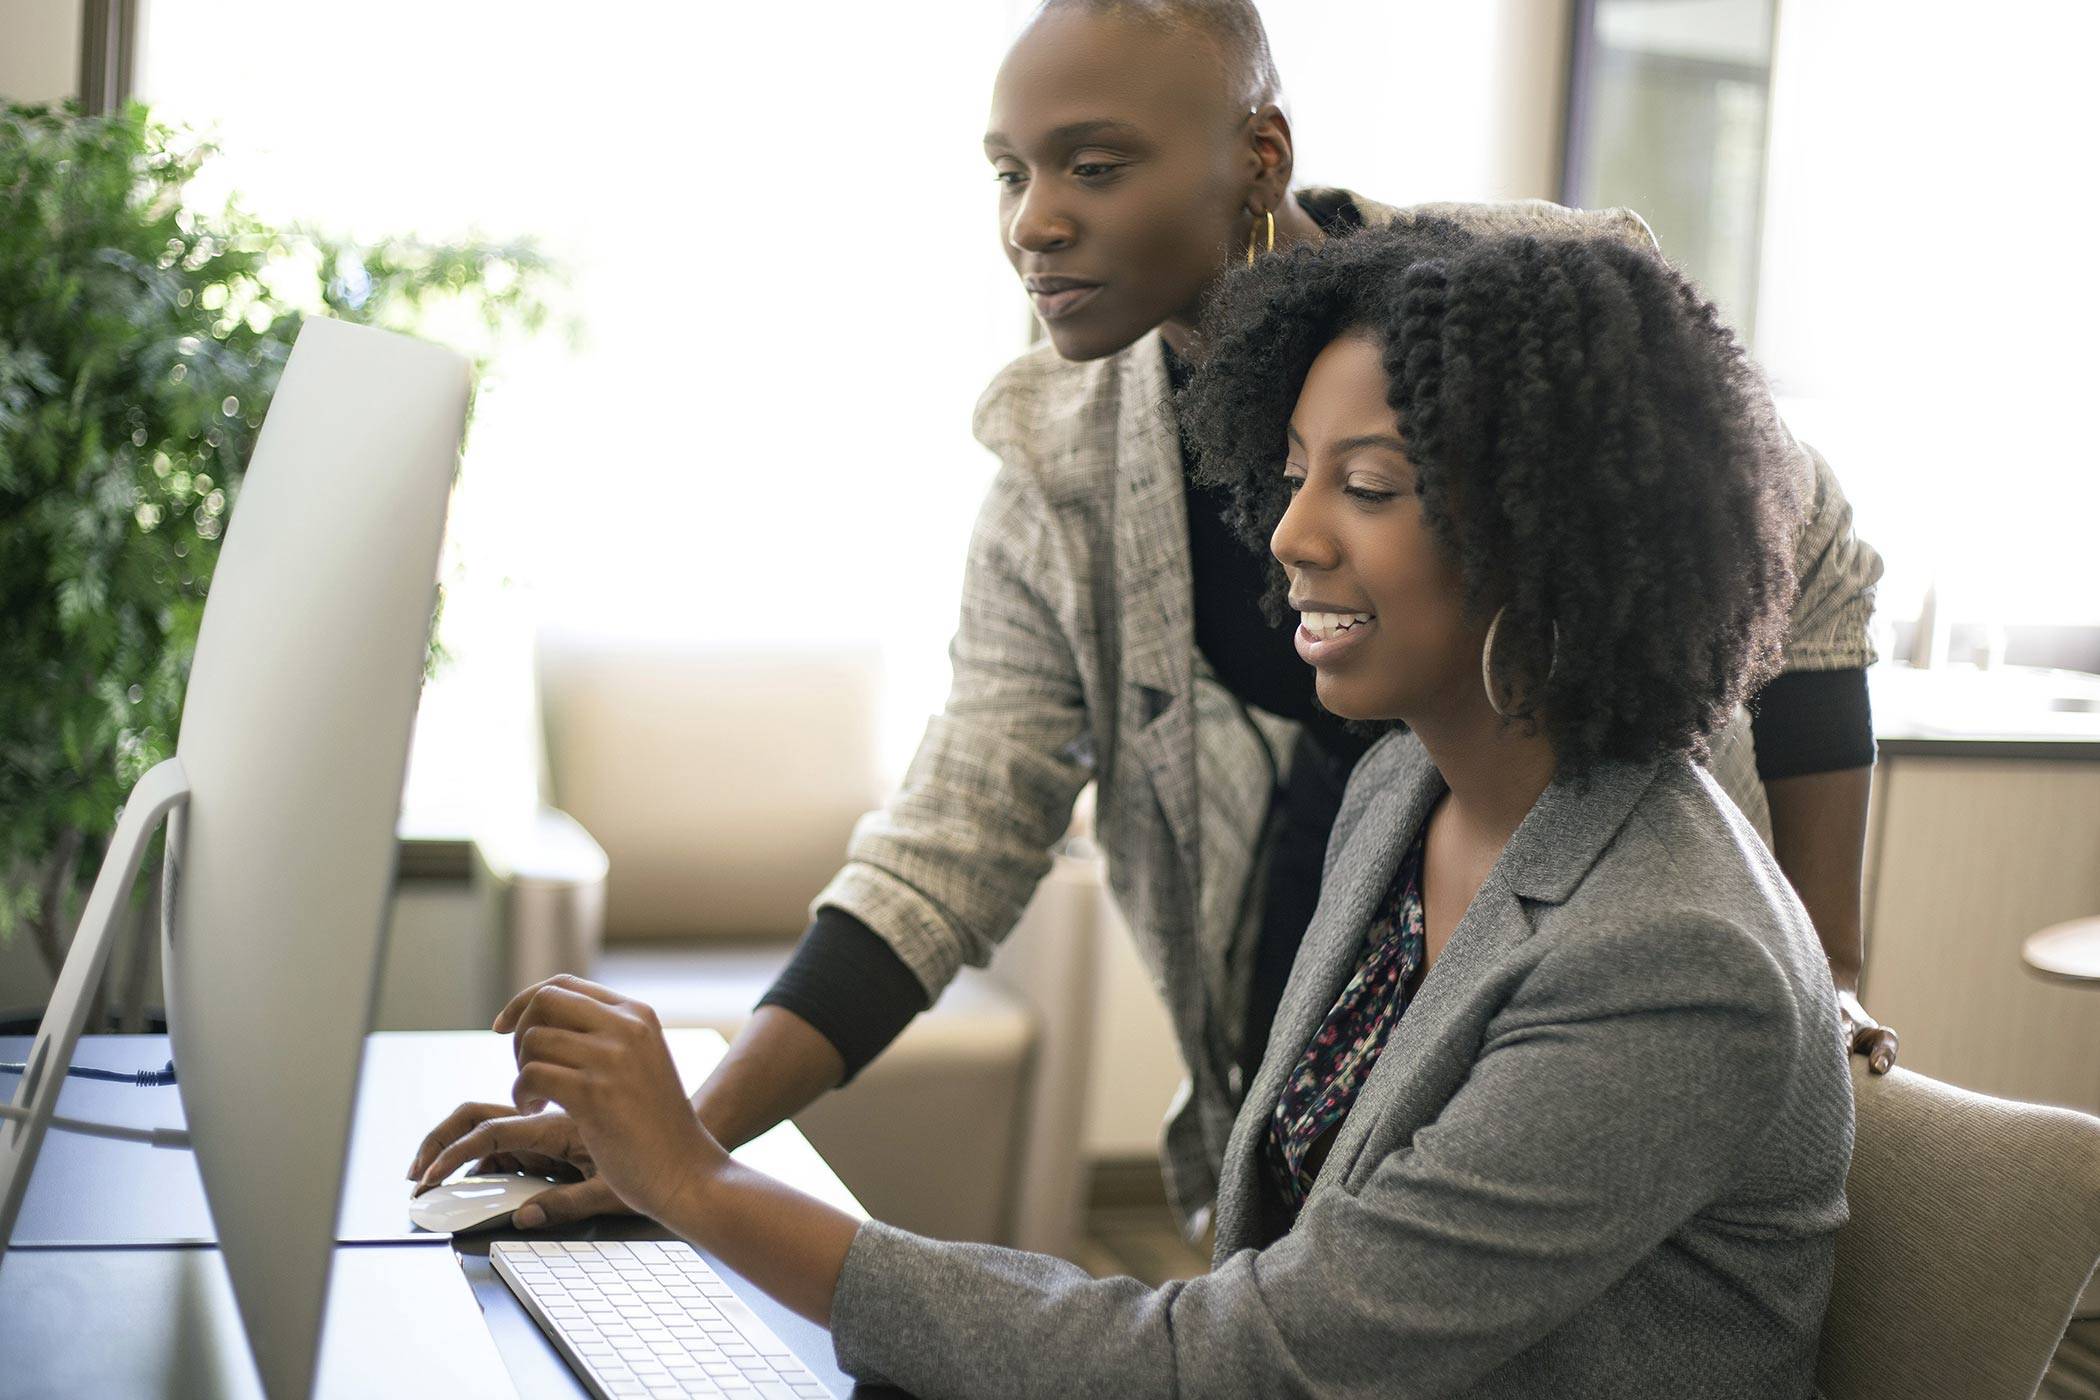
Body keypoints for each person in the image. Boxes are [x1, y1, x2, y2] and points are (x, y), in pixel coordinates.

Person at [415, 0, 1891, 1237]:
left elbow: (1805, 537)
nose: (1033, 223)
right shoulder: (1061, 446)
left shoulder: (1507, 309)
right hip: (1328, 909)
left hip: (1578, 930)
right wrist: (681, 1134)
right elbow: (960, 827)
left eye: (1095, 165)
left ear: (1258, 156)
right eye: (1008, 172)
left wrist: (1821, 966)